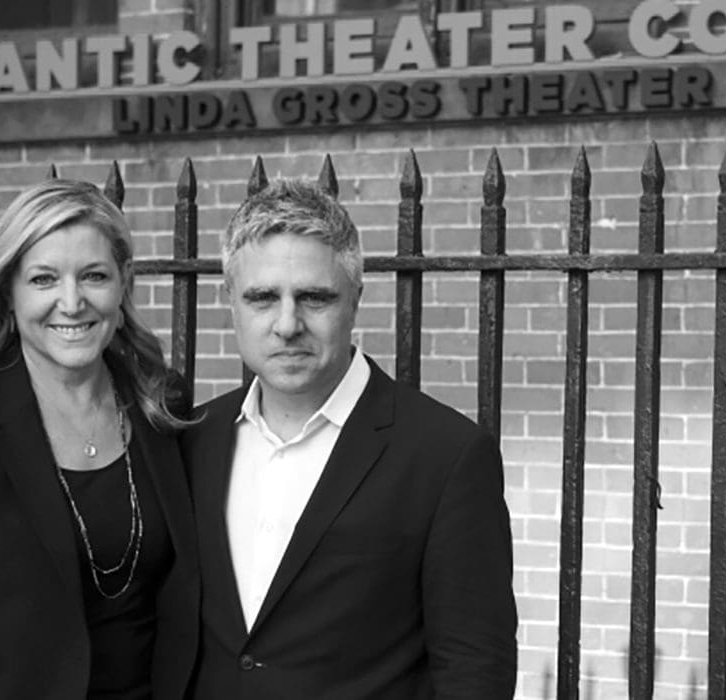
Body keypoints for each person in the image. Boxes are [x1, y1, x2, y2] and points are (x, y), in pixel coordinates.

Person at [182, 178, 518, 698]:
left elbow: (475, 666)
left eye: (314, 297)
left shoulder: (446, 455)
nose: (287, 323)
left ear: (355, 300)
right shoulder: (192, 440)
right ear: (231, 301)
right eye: (263, 298)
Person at [0, 179, 200, 699]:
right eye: (44, 279)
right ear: (8, 292)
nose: (71, 303)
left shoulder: (160, 405)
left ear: (122, 284)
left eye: (93, 275)